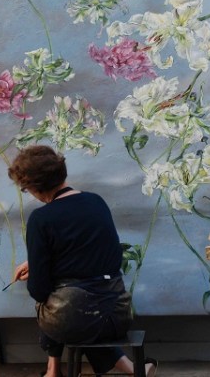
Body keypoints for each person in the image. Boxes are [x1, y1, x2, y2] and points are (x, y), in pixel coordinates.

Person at [8, 145, 157, 377]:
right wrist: (44, 265)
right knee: (84, 311)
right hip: (119, 313)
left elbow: (38, 290)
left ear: (35, 187)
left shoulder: (40, 219)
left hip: (75, 319)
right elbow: (99, 257)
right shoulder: (96, 202)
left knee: (60, 307)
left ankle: (53, 371)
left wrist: (39, 269)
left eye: (25, 189)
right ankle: (128, 368)